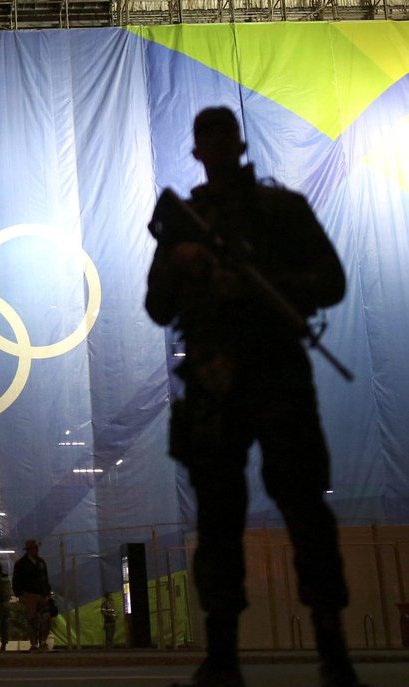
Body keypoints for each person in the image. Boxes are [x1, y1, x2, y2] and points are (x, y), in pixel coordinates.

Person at [145, 106, 362, 687]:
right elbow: (157, 307)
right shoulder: (186, 223)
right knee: (218, 518)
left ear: (237, 147)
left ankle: (332, 648)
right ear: (197, 153)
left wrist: (258, 281)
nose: (215, 152)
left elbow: (332, 283)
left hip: (276, 373)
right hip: (216, 380)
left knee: (304, 507)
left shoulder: (281, 211)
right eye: (207, 143)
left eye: (222, 141)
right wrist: (180, 262)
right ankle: (222, 656)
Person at [11, 539, 51, 652]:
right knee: (32, 620)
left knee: (46, 618)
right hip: (29, 595)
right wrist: (20, 595)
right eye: (35, 548)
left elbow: (45, 579)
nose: (37, 550)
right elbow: (16, 581)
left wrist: (47, 593)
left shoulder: (41, 562)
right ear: (30, 550)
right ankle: (34, 644)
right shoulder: (21, 564)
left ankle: (43, 641)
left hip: (42, 594)